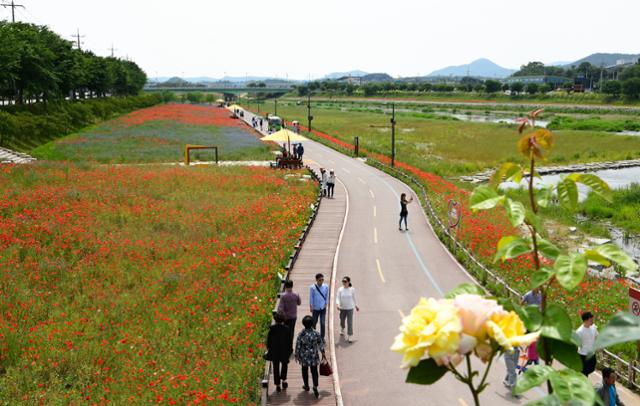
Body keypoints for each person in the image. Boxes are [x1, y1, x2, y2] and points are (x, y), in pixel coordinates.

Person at [295, 315, 326, 399]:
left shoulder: (301, 334)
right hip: (314, 356)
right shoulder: (316, 333)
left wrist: (296, 355)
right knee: (314, 371)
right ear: (312, 323)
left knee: (304, 371)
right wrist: (323, 353)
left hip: (304, 357)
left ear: (303, 324)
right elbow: (320, 344)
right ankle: (315, 386)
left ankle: (306, 385)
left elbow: (298, 345)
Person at [267, 312, 293, 393]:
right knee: (284, 365)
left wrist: (269, 349)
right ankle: (284, 380)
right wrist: (290, 351)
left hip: (275, 351)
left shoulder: (272, 329)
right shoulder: (287, 329)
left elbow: (269, 341)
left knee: (276, 367)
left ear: (275, 319)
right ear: (283, 319)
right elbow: (290, 341)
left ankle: (277, 384)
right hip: (284, 350)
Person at [278, 280, 301, 351]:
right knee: (291, 332)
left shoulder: (283, 296)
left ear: (285, 286)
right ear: (292, 285)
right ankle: (290, 348)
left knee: (285, 332)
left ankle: (285, 347)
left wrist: (282, 316)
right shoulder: (296, 294)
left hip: (285, 318)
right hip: (293, 317)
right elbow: (299, 303)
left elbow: (280, 308)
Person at [336, 276, 359, 343]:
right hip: (342, 308)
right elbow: (338, 297)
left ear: (349, 282)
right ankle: (342, 328)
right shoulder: (340, 289)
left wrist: (356, 306)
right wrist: (337, 304)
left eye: (345, 281)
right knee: (342, 320)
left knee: (350, 322)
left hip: (350, 308)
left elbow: (354, 298)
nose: (344, 282)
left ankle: (350, 336)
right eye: (343, 281)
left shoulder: (352, 289)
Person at [576, 311, 598, 377]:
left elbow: (597, 336)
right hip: (583, 355)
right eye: (591, 319)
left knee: (592, 368)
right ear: (586, 320)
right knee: (584, 373)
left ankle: (580, 376)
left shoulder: (593, 327)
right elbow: (576, 344)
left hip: (592, 354)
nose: (592, 321)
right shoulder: (579, 332)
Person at [309, 273, 329, 341]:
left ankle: (322, 337)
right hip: (315, 308)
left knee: (322, 323)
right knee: (314, 322)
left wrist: (326, 303)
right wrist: (311, 306)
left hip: (323, 307)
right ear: (316, 280)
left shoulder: (326, 286)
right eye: (320, 280)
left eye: (322, 279)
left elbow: (327, 296)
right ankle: (313, 336)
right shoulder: (312, 287)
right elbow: (311, 297)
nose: (321, 281)